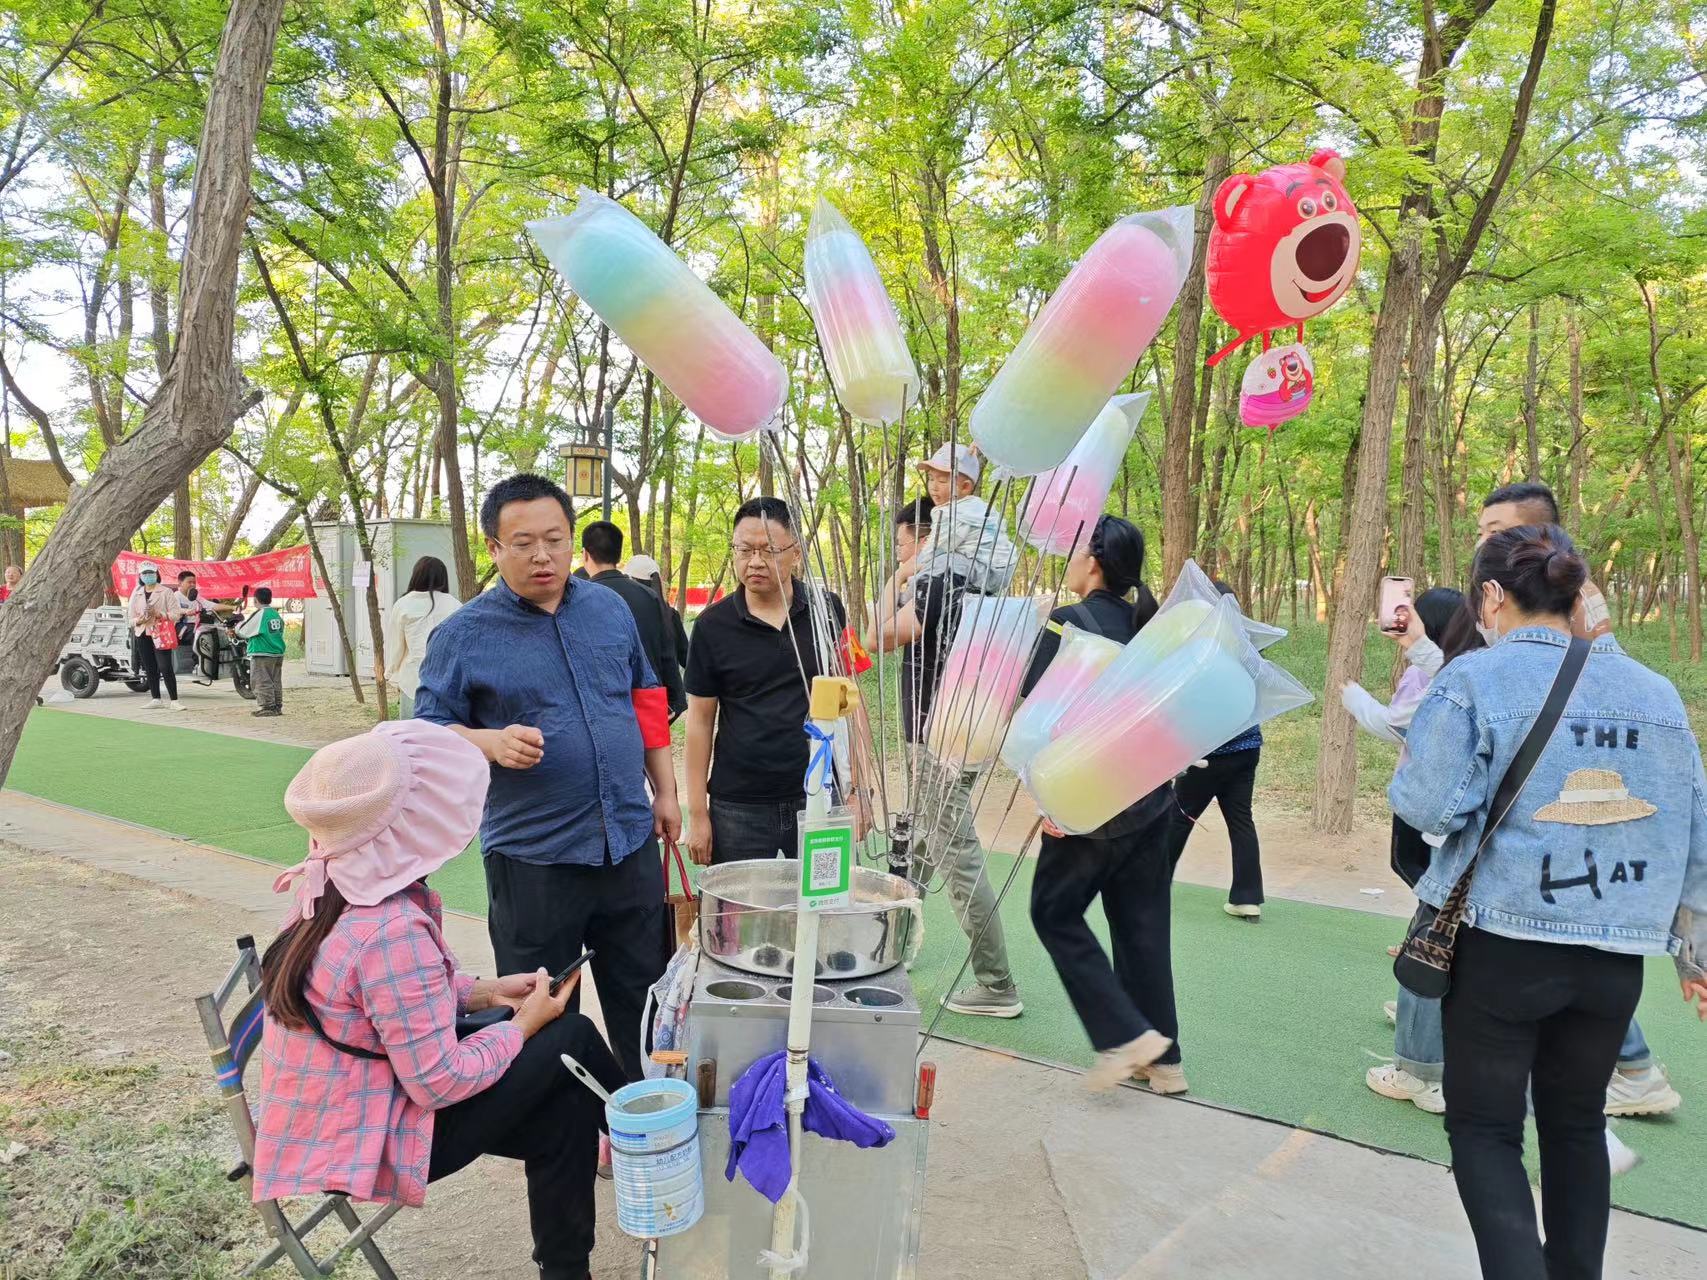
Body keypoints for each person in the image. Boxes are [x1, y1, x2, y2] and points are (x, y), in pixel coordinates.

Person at [1391, 525, 1707, 1280]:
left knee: (1484, 1131)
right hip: (1614, 960)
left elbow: (1427, 805)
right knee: (1575, 1127)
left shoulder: (1475, 680)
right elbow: (1694, 832)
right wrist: (1695, 955)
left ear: (1491, 597)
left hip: (1502, 948)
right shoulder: (1655, 692)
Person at [253, 720, 625, 1280]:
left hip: (342, 1106)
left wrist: (485, 992)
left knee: (565, 1108)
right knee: (568, 1034)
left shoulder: (332, 883)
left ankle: (568, 1270)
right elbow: (439, 1082)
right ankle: (657, 1138)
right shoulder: (390, 929)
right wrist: (523, 1024)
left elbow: (382, 1001)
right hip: (369, 1135)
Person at [1414, 481, 1681, 1118]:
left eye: (1497, 530)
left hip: (1519, 889)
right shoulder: (1487, 603)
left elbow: (1434, 798)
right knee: (1570, 1114)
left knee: (1491, 1118)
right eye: (1482, 530)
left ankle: (1630, 1069)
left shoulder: (1569, 612)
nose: (1485, 540)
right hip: (1579, 902)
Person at [415, 472, 678, 1083]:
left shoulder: (609, 608)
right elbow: (425, 733)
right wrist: (489, 742)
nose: (543, 556)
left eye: (555, 540)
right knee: (546, 1011)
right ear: (494, 548)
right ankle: (568, 1125)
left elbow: (645, 699)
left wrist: (666, 792)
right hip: (535, 859)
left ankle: (644, 1115)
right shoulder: (462, 635)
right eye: (524, 543)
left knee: (646, 1001)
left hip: (628, 842)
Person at [1024, 516, 1186, 1092]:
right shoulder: (1152, 628)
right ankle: (1165, 1063)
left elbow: (1040, 716)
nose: (1067, 560)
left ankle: (1124, 1037)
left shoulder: (1068, 624)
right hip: (1152, 798)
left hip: (1089, 805)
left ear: (1093, 562)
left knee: (1052, 911)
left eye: (1073, 551)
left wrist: (1051, 801)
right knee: (1143, 926)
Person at [867, 495, 1020, 1019]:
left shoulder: (937, 585)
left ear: (927, 538)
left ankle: (997, 983)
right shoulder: (983, 587)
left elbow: (876, 638)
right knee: (926, 840)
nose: (900, 550)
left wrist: (898, 577)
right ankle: (893, 943)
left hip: (936, 739)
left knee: (956, 853)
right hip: (971, 731)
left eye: (903, 542)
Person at [1343, 587, 1479, 1113]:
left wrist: (1356, 698)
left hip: (1450, 830)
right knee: (1447, 936)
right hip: (1472, 831)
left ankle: (1420, 1074)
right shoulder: (1482, 670)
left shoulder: (1458, 680)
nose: (1404, 624)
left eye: (1416, 619)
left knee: (1431, 941)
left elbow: (1407, 723)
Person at [683, 497, 850, 866]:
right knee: (738, 905)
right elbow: (699, 722)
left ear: (796, 553)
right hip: (739, 805)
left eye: (769, 550)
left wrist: (860, 791)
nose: (755, 561)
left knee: (824, 900)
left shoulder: (827, 611)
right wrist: (697, 813)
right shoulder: (712, 626)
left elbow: (852, 700)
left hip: (819, 794)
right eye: (744, 550)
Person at [1168, 580, 1265, 920]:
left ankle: (1150, 885)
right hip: (1247, 749)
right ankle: (1247, 897)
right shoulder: (1247, 648)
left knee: (1178, 818)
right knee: (1241, 821)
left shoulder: (1198, 649)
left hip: (1207, 755)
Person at [580, 523, 687, 721]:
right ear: (619, 555)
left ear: (585, 554)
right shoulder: (649, 597)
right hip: (647, 706)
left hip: (600, 708)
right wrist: (674, 700)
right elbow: (666, 653)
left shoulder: (579, 600)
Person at [911, 444, 1017, 595]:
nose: (933, 487)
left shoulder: (954, 512)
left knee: (941, 562)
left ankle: (909, 598)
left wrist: (912, 574)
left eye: (942, 481)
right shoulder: (975, 506)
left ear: (965, 487)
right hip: (999, 570)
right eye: (931, 479)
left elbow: (935, 549)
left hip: (987, 570)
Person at [380, 555, 461, 718]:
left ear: (416, 576)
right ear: (443, 577)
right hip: (448, 681)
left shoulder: (403, 604)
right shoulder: (454, 604)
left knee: (410, 731)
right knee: (443, 731)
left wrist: (390, 673)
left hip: (412, 680)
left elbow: (396, 647)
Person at [627, 553, 689, 714]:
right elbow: (687, 657)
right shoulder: (670, 614)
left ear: (630, 580)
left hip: (636, 698)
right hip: (666, 700)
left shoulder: (626, 614)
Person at [127, 562, 185, 710]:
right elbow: (130, 618)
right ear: (140, 576)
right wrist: (139, 620)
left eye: (151, 573)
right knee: (149, 667)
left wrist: (159, 614)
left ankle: (174, 700)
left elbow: (176, 614)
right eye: (145, 573)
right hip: (142, 633)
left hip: (160, 633)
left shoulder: (166, 592)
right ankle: (156, 698)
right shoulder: (137, 592)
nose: (148, 576)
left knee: (165, 666)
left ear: (156, 574)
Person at [245, 587, 287, 717]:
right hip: (277, 652)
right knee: (275, 680)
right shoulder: (275, 614)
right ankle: (277, 706)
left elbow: (244, 630)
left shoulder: (260, 614)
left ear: (255, 600)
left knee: (261, 680)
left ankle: (267, 706)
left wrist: (235, 629)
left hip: (263, 652)